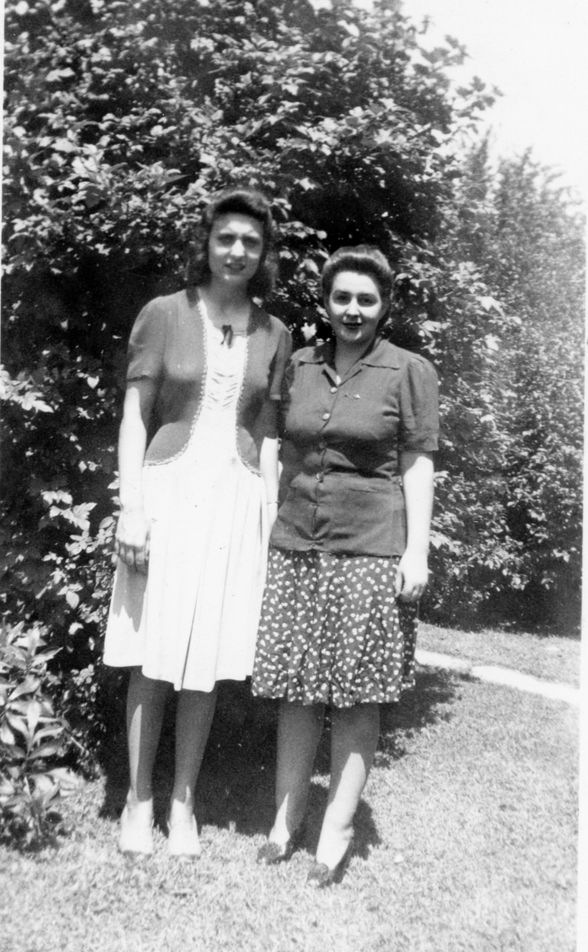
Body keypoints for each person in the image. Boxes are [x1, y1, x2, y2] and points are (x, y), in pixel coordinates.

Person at [104, 186, 291, 858]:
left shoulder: (276, 334)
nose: (237, 250)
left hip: (234, 503)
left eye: (250, 242)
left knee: (205, 657)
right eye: (226, 237)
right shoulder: (164, 313)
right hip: (167, 494)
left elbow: (269, 438)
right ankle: (138, 800)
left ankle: (183, 801)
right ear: (207, 243)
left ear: (263, 254)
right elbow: (135, 417)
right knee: (153, 651)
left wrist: (269, 523)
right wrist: (131, 506)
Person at [252, 245, 439, 887]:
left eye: (366, 299)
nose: (353, 310)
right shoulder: (301, 365)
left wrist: (416, 550)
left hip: (370, 547)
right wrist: (267, 515)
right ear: (325, 302)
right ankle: (287, 817)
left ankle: (336, 827)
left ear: (385, 306)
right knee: (298, 686)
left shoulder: (409, 371)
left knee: (356, 691)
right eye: (342, 298)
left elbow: (418, 463)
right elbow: (276, 445)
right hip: (297, 543)